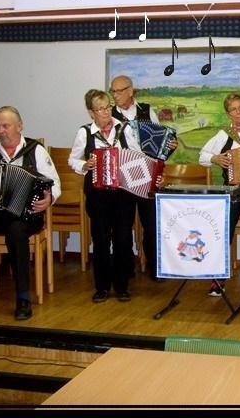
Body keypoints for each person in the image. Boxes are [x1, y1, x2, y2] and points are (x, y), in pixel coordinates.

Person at [0, 106, 61, 320]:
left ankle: (23, 298)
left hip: (27, 216)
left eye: (5, 126)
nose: (1, 130)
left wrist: (49, 199)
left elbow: (55, 183)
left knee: (16, 231)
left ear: (19, 126)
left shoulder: (35, 151)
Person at [68, 89, 141, 303]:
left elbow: (137, 154)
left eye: (108, 107)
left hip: (123, 193)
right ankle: (101, 287)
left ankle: (122, 286)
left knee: (122, 238)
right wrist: (85, 165)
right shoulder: (85, 133)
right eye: (100, 109)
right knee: (100, 240)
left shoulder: (124, 128)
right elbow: (73, 159)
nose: (106, 112)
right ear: (91, 113)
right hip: (98, 194)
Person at [109, 75, 177, 283]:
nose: (116, 95)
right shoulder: (109, 115)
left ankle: (156, 268)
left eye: (119, 91)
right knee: (121, 227)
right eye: (113, 91)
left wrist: (169, 146)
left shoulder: (147, 111)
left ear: (131, 91)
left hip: (146, 174)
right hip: (122, 177)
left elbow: (159, 144)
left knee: (152, 224)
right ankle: (125, 269)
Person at [199, 92, 240, 296]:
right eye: (233, 109)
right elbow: (203, 156)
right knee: (223, 233)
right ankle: (218, 278)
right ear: (228, 114)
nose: (238, 112)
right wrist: (215, 159)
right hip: (232, 190)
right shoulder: (223, 135)